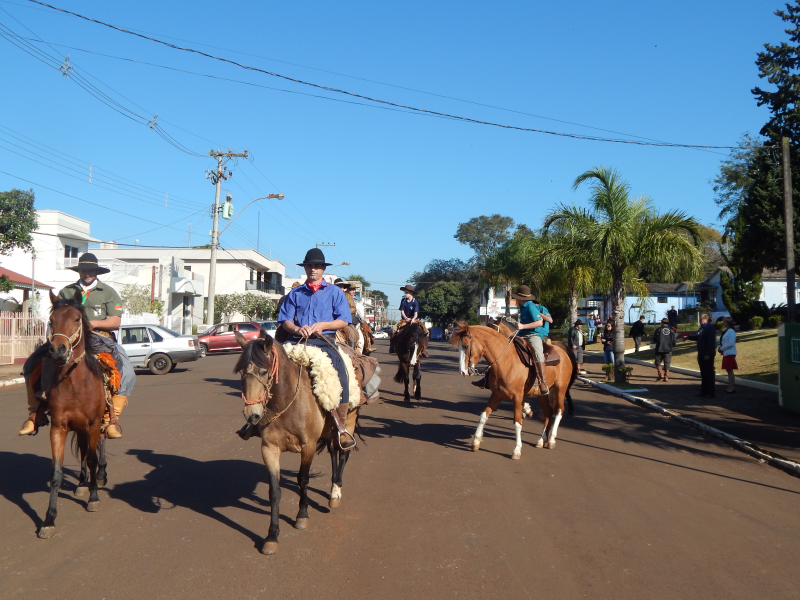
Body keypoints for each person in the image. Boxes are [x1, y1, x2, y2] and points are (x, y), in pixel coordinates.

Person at [19, 253, 135, 437]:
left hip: (98, 337)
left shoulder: (108, 292)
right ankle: (35, 415)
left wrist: (92, 324)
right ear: (79, 271)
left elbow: (115, 321)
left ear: (96, 272)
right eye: (84, 270)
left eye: (91, 270)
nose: (87, 273)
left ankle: (110, 420)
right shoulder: (66, 292)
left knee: (127, 371)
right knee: (31, 364)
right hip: (66, 338)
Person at [278, 248, 355, 449]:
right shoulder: (295, 293)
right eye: (310, 266)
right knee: (270, 365)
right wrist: (296, 328)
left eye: (317, 266)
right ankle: (261, 419)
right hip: (297, 340)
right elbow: (285, 320)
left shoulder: (335, 292)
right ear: (305, 268)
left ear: (323, 269)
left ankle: (341, 425)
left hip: (324, 340)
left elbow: (344, 320)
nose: (313, 269)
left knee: (341, 370)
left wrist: (323, 325)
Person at [512, 285, 549, 394]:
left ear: (521, 298)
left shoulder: (531, 307)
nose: (516, 300)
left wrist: (523, 326)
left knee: (538, 353)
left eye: (517, 297)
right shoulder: (523, 307)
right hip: (521, 334)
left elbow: (539, 322)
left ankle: (542, 382)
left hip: (533, 335)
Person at [391, 285, 428, 356]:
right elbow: (402, 311)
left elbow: (416, 313)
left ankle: (424, 349)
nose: (405, 294)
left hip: (414, 320)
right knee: (393, 329)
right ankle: (392, 346)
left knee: (426, 331)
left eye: (406, 292)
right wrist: (406, 318)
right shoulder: (403, 300)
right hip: (404, 320)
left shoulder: (415, 302)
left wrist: (413, 319)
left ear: (411, 293)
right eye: (405, 292)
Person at [688, 313, 717, 398]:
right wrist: (688, 337)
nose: (700, 321)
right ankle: (704, 390)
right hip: (701, 352)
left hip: (707, 353)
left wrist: (708, 353)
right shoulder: (703, 328)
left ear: (705, 319)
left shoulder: (709, 328)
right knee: (703, 372)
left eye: (701, 319)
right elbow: (699, 337)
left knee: (709, 372)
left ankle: (711, 392)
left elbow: (711, 342)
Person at [652, 317, 677, 381]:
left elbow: (655, 339)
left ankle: (660, 374)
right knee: (667, 363)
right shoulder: (671, 330)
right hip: (668, 349)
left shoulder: (658, 330)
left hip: (659, 348)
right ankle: (666, 376)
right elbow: (674, 340)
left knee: (658, 362)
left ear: (662, 322)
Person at [718, 316, 737, 394]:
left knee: (730, 370)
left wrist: (721, 348)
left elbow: (731, 343)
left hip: (730, 353)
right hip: (726, 353)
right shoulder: (727, 331)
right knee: (728, 370)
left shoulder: (731, 331)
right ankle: (731, 387)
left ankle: (731, 387)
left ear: (729, 322)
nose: (723, 323)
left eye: (725, 322)